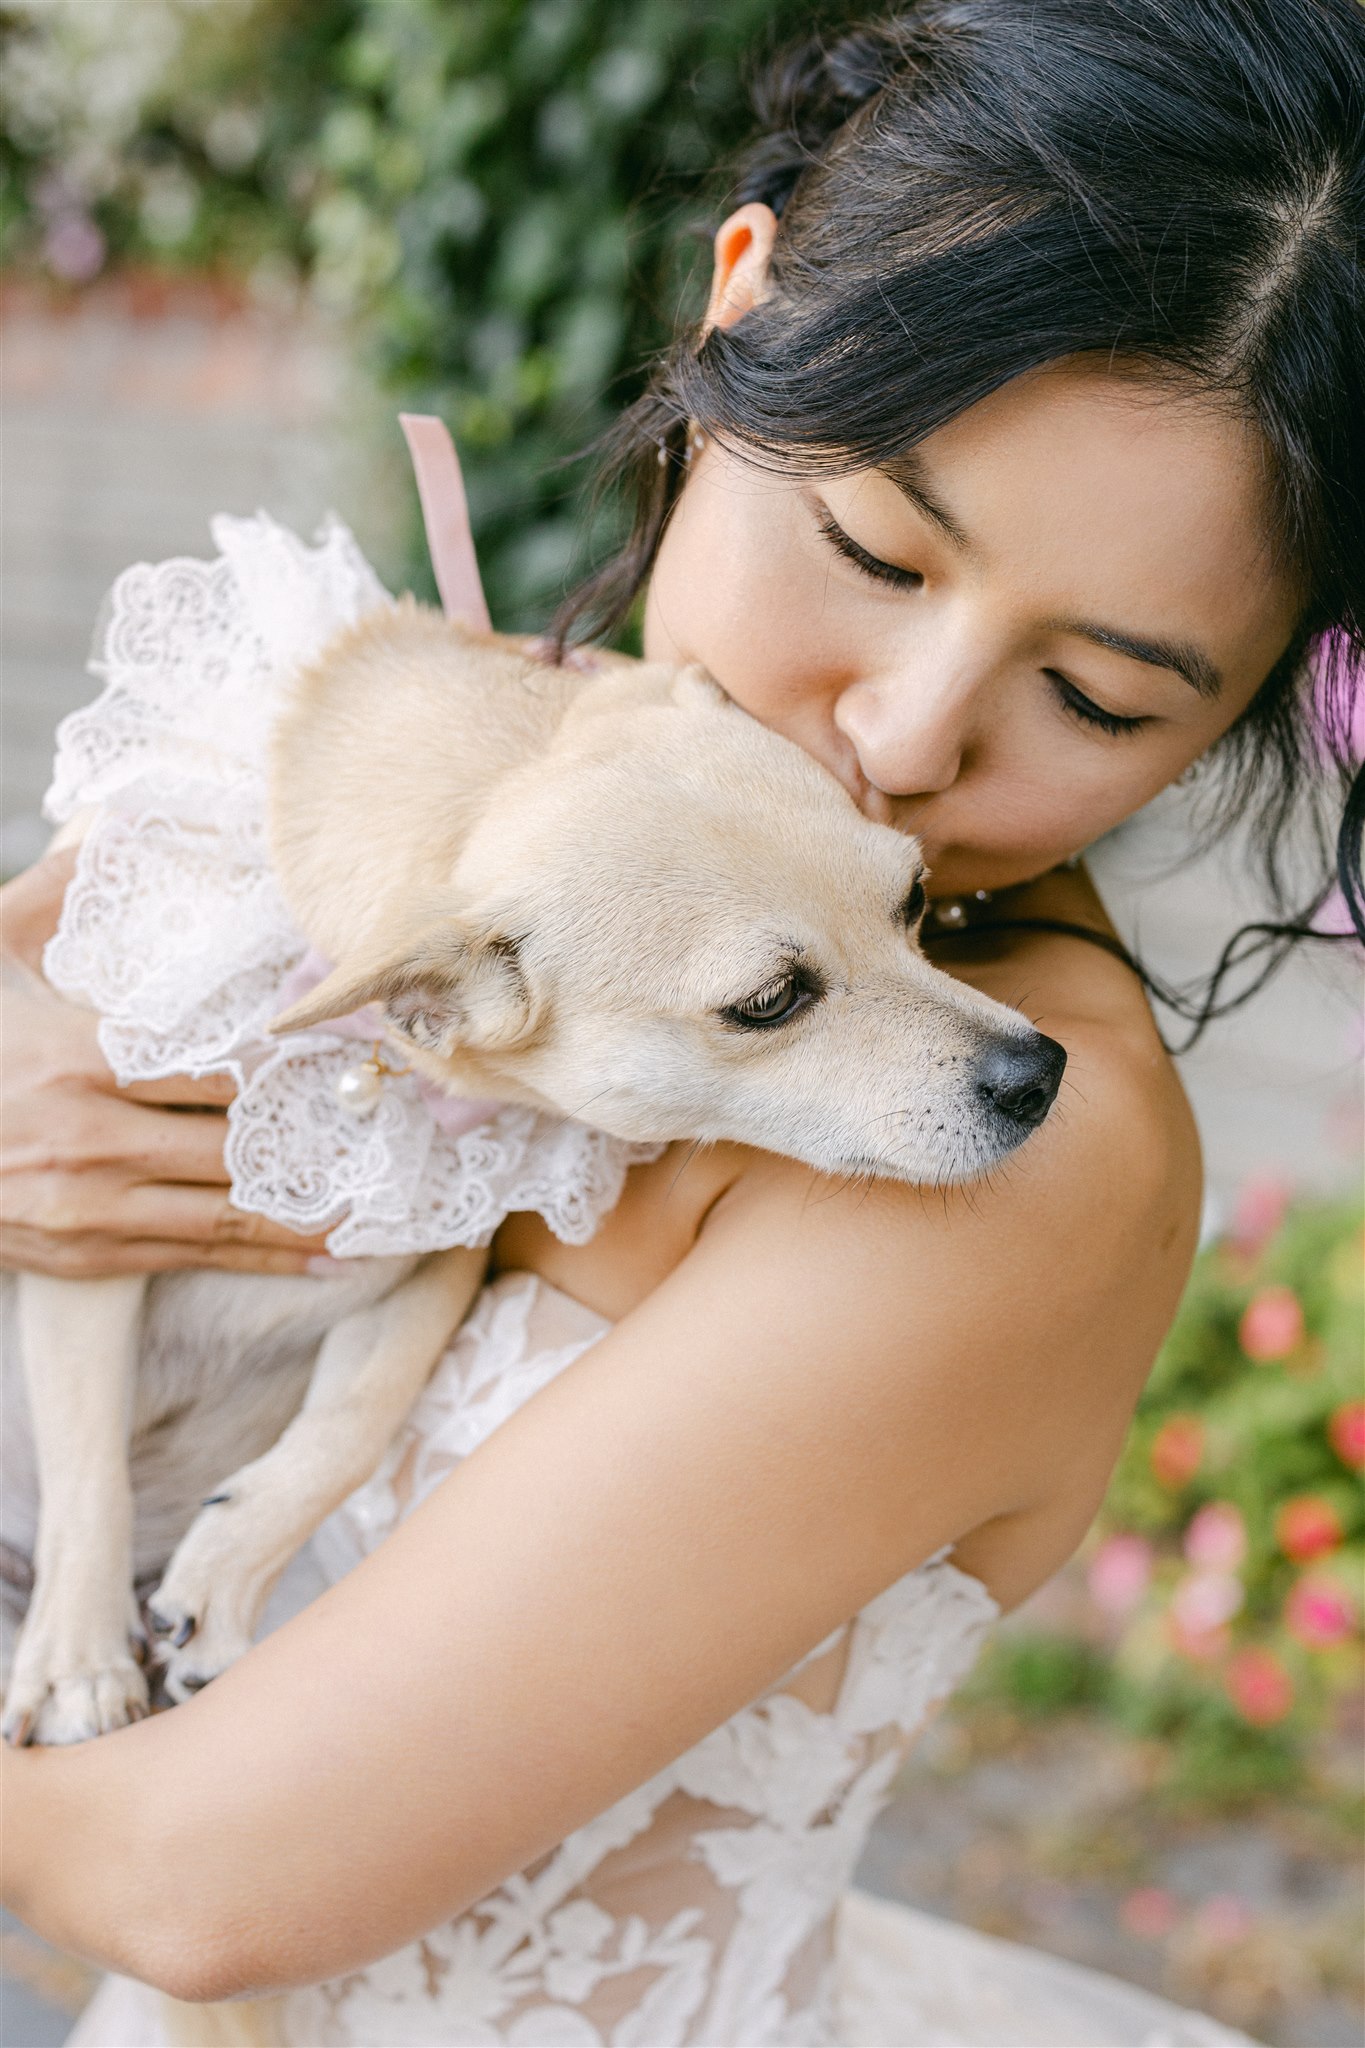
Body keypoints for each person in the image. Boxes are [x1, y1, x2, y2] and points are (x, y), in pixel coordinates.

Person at [2, 1, 1361, 2041]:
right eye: (868, 547)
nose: (900, 739)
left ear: (1241, 705)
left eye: (1094, 697)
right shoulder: (468, 808)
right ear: (740, 304)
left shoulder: (1008, 1157)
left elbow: (201, 1880)